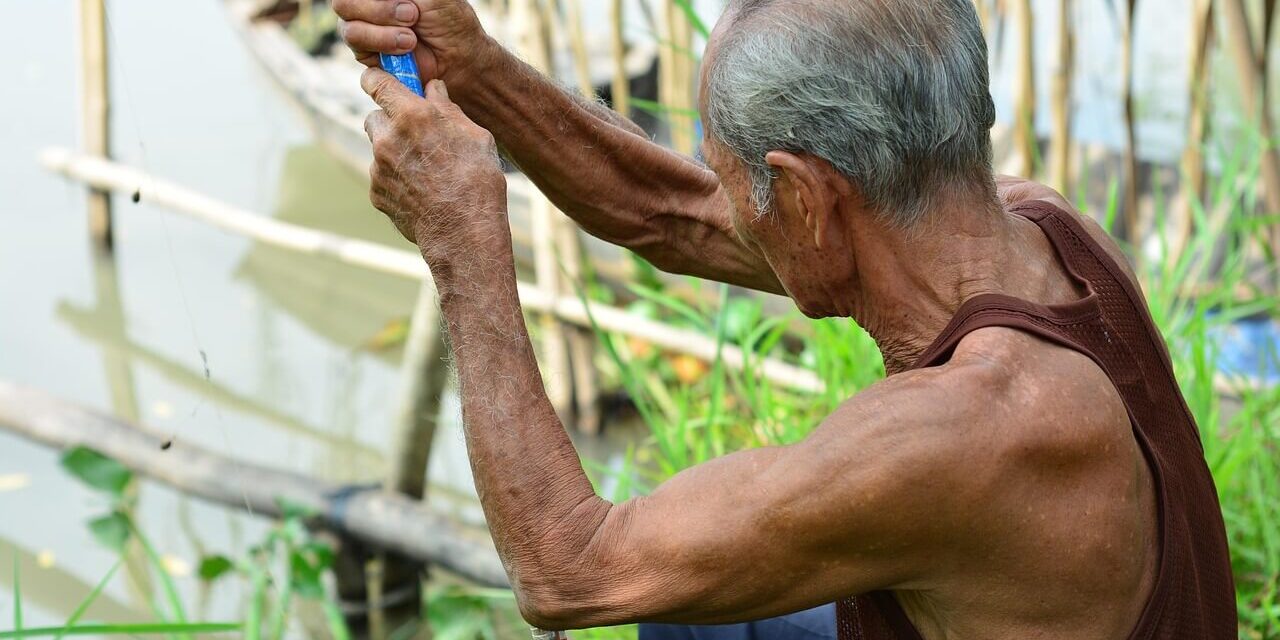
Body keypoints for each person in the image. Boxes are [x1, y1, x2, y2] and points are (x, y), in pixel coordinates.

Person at [334, 0, 1237, 637]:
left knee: (657, 584)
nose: (729, 208)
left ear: (805, 198)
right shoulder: (1045, 226)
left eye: (741, 183)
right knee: (699, 623)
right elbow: (673, 215)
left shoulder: (968, 432)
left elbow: (569, 567)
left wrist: (463, 240)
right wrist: (478, 69)